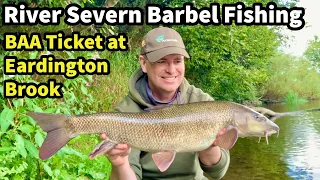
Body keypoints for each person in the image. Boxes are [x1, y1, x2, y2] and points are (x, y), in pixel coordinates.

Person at [101, 27, 230, 180]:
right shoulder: (126, 113)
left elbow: (217, 173)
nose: (171, 69)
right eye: (161, 61)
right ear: (143, 63)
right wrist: (120, 164)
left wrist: (209, 145)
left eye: (177, 61)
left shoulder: (202, 102)